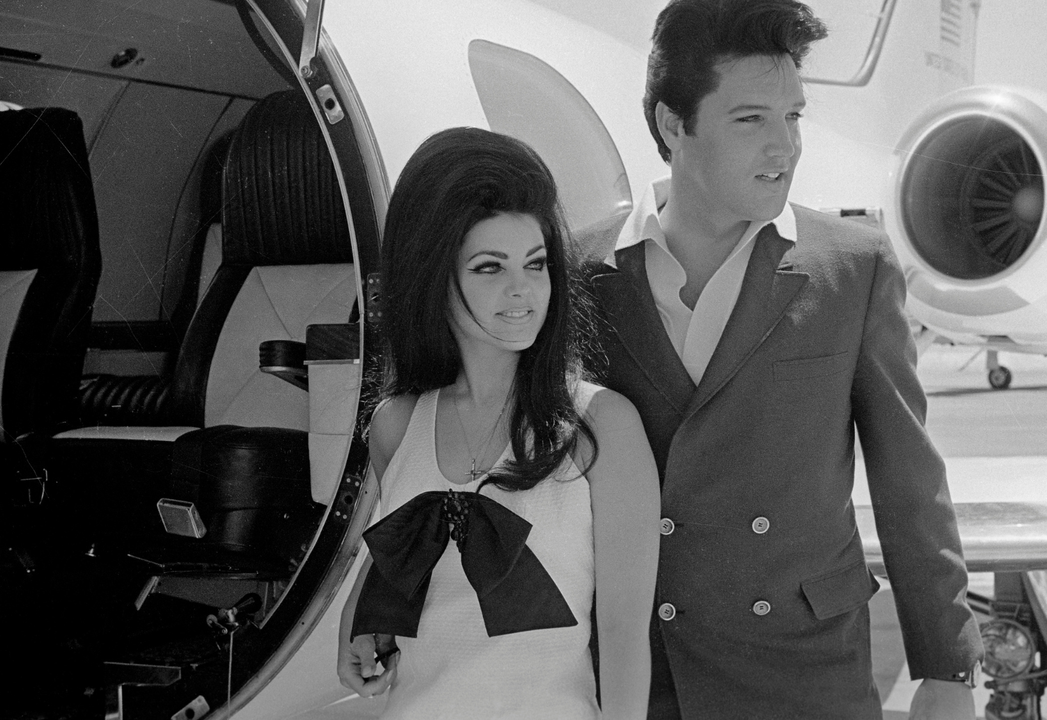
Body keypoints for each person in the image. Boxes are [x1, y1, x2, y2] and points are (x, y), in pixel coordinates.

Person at [575, 1, 983, 718]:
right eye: (751, 119)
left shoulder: (852, 269)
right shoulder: (579, 271)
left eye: (793, 117)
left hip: (805, 673)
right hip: (639, 678)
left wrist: (947, 669)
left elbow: (909, 480)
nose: (785, 147)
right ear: (674, 125)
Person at [336, 127, 660, 720]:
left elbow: (623, 636)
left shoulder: (600, 426)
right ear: (434, 276)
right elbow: (404, 558)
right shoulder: (396, 424)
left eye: (536, 264)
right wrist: (357, 625)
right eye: (490, 267)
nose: (523, 290)